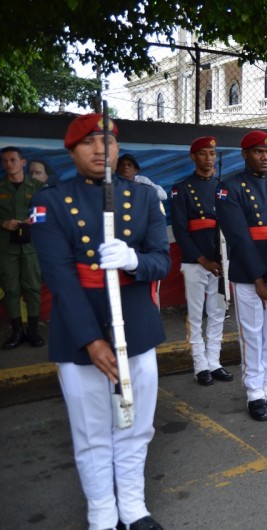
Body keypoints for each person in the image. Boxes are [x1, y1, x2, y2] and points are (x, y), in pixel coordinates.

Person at [31, 113, 170, 530]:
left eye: (107, 141)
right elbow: (59, 276)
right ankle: (102, 513)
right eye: (88, 142)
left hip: (135, 324)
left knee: (136, 425)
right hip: (79, 329)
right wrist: (91, 340)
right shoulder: (51, 202)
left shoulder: (143, 197)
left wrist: (133, 261)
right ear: (71, 151)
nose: (99, 149)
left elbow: (161, 260)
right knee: (91, 431)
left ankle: (133, 506)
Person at [216, 131, 267, 421]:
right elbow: (238, 238)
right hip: (249, 275)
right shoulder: (230, 188)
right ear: (245, 154)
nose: (265, 157)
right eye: (258, 152)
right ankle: (254, 392)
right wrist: (259, 281)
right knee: (251, 335)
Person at [170, 136, 233, 387]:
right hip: (195, 260)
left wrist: (223, 260)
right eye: (204, 153)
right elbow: (180, 230)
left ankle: (214, 361)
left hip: (221, 261)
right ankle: (199, 364)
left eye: (212, 153)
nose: (209, 158)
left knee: (217, 312)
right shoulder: (182, 188)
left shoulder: (223, 187)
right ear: (193, 157)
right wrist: (203, 260)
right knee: (196, 315)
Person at [0, 146, 44, 349]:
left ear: (23, 163)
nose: (9, 164)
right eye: (5, 161)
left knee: (33, 288)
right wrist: (3, 223)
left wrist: (33, 220)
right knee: (11, 289)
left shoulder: (37, 187)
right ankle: (17, 331)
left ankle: (33, 331)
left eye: (13, 160)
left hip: (31, 246)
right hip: (6, 247)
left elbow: (46, 213)